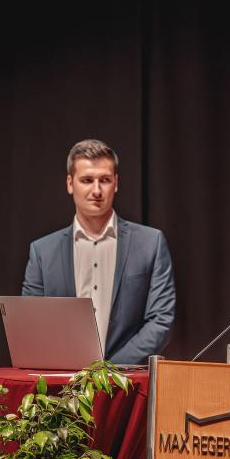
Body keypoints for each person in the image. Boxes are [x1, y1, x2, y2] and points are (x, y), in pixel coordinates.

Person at [21, 139, 176, 364]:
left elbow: (161, 321)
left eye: (104, 180)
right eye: (86, 180)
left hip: (127, 384)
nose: (96, 190)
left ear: (116, 183)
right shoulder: (42, 252)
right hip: (62, 388)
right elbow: (30, 323)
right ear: (70, 183)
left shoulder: (151, 243)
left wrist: (106, 372)